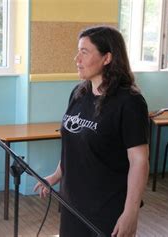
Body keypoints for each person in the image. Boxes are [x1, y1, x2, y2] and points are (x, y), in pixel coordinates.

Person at [34, 26, 150, 237]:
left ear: (107, 58)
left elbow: (139, 161)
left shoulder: (130, 102)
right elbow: (74, 144)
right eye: (78, 51)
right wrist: (56, 175)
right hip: (72, 202)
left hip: (107, 208)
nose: (76, 58)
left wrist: (130, 212)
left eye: (84, 52)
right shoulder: (79, 93)